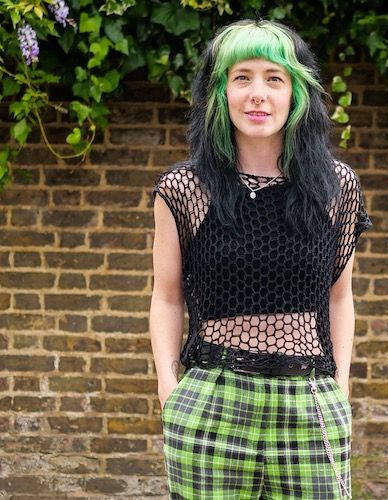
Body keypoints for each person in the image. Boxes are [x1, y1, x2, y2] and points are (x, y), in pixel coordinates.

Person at [150, 18, 372, 499]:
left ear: (296, 92)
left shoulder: (336, 187)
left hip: (309, 397)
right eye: (242, 77)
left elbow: (340, 296)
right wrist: (170, 387)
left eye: (274, 78)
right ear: (220, 92)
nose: (258, 94)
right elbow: (166, 297)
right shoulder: (184, 190)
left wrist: (342, 386)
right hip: (213, 398)